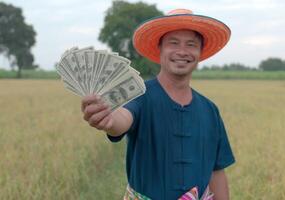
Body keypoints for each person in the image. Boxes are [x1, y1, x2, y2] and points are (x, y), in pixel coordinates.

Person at [81, 9, 235, 200]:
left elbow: (216, 171)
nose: (182, 51)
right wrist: (108, 119)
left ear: (200, 52)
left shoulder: (210, 110)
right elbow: (121, 119)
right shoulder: (140, 95)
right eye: (173, 43)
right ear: (159, 48)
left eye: (191, 44)